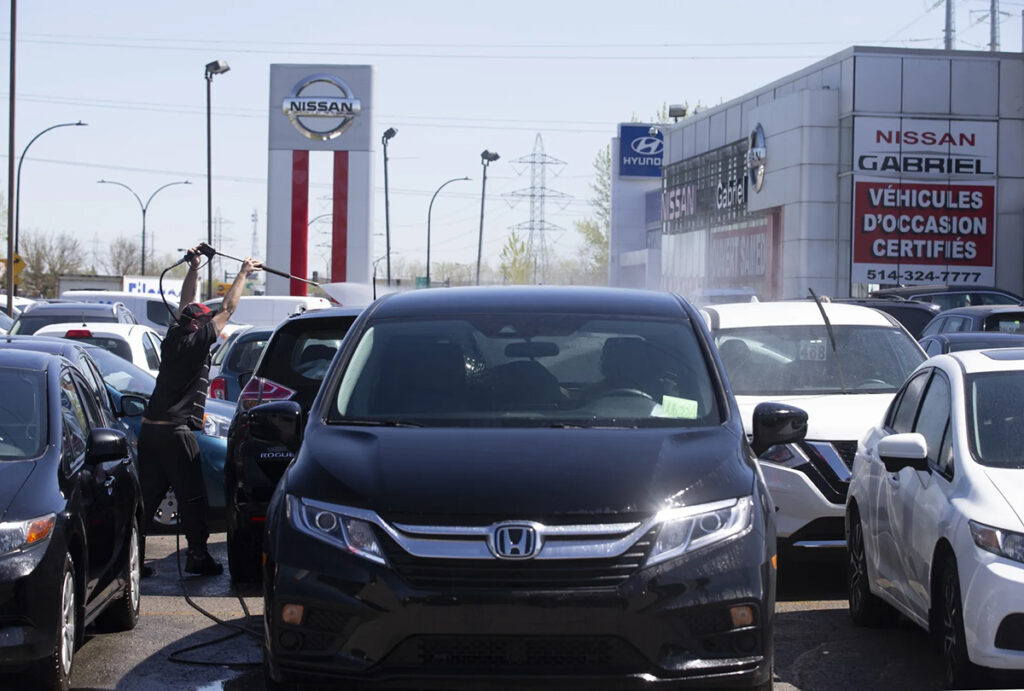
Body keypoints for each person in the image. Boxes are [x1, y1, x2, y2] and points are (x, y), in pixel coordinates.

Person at [139, 247, 262, 576]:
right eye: (204, 319)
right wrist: (243, 272)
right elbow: (228, 308)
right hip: (175, 433)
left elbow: (185, 303)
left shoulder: (174, 336)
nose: (210, 322)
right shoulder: (195, 344)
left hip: (149, 431)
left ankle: (130, 560)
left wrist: (194, 268)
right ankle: (197, 557)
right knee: (192, 497)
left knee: (146, 500)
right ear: (199, 326)